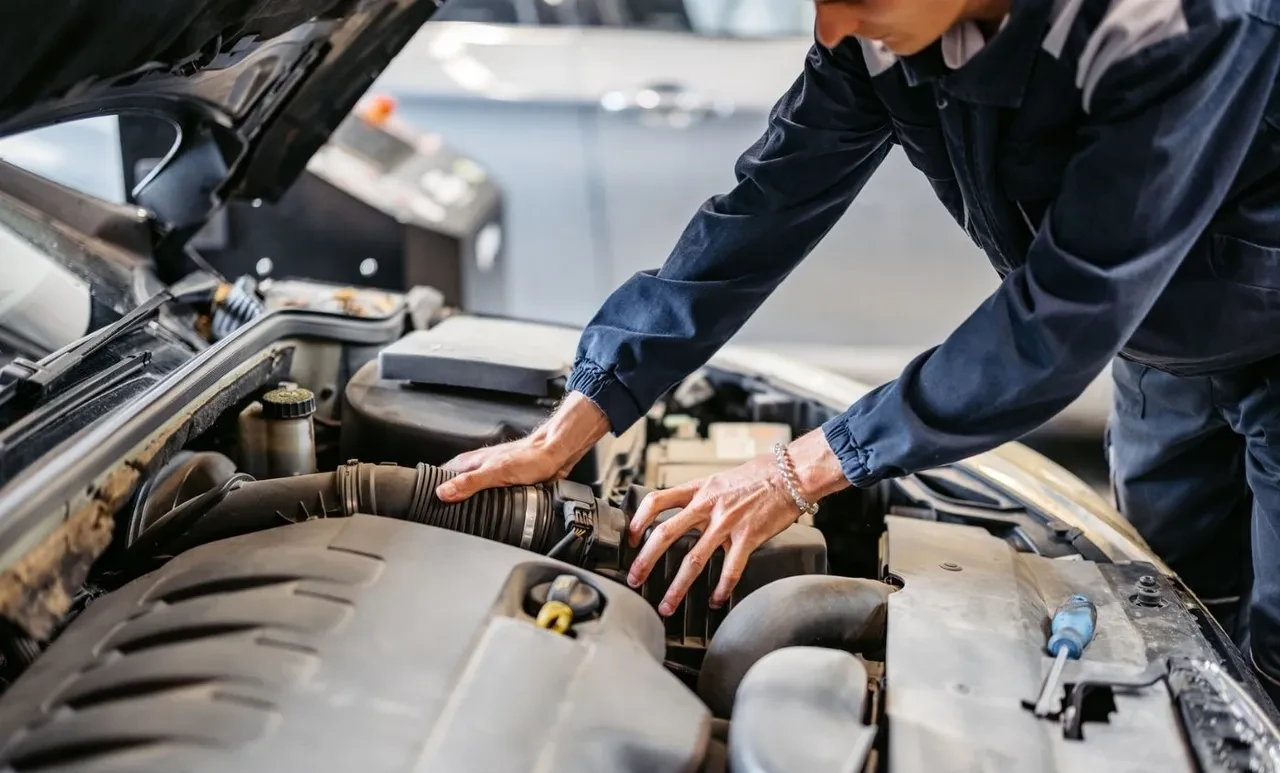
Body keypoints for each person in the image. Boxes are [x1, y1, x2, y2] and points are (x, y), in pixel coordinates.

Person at [436, 0, 1280, 694]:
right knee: (1177, 633)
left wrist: (799, 470)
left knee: (1273, 664)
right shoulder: (872, 35)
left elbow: (1062, 315)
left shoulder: (1174, 23)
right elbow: (763, 207)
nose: (832, 26)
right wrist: (582, 410)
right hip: (1160, 354)